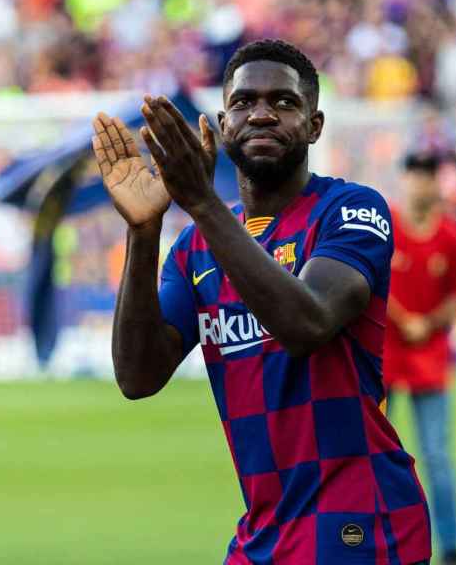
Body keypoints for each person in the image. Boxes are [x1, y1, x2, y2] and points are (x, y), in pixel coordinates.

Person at [93, 39, 432, 564]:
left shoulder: (350, 210)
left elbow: (308, 324)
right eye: (245, 102)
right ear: (224, 123)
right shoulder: (194, 248)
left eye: (284, 103)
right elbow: (138, 376)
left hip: (358, 518)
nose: (262, 115)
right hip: (265, 529)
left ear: (314, 126)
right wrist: (144, 229)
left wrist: (202, 203)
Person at [384, 152, 456, 565]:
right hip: (383, 357)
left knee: (437, 457)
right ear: (404, 180)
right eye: (415, 176)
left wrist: (429, 321)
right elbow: (366, 278)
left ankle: (452, 546)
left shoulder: (451, 236)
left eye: (428, 177)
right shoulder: (384, 225)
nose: (421, 184)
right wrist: (404, 319)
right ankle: (377, 540)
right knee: (376, 456)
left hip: (429, 359)